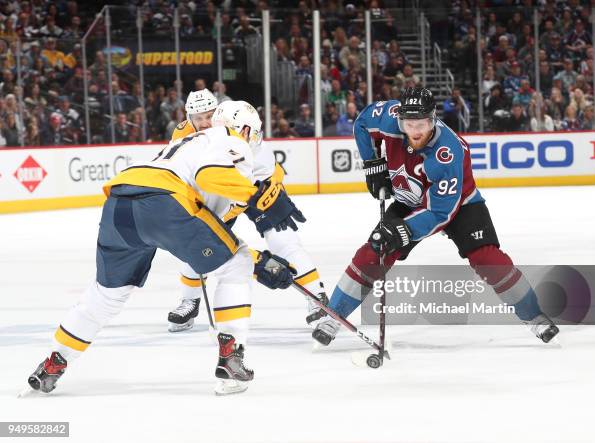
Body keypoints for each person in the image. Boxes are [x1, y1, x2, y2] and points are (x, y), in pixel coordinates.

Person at [26, 102, 298, 396]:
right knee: (237, 264)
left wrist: (256, 259)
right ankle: (231, 357)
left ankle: (54, 361)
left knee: (106, 296)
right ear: (247, 128)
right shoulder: (234, 141)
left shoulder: (189, 140)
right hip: (164, 203)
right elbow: (209, 182)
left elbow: (206, 221)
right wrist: (255, 203)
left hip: (119, 201)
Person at [311, 88, 559, 346]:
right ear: (399, 120)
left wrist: (401, 231)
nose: (416, 131)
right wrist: (373, 164)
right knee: (374, 251)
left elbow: (441, 213)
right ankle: (334, 315)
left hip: (459, 204)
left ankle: (535, 317)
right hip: (410, 200)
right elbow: (362, 122)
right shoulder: (387, 117)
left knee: (488, 259)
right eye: (409, 124)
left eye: (422, 124)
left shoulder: (447, 152)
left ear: (433, 119)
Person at [167, 95, 328, 332]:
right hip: (220, 190)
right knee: (196, 243)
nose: (204, 122)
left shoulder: (241, 130)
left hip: (256, 188)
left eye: (209, 117)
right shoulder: (188, 136)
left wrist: (273, 186)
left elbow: (268, 166)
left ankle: (317, 295)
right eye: (198, 118)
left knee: (283, 240)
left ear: (218, 114)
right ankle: (190, 300)